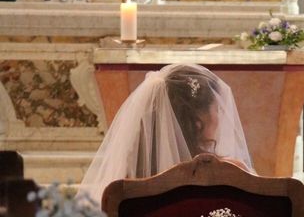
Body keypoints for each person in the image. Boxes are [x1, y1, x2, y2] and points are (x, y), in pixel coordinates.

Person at [79, 63, 253, 203]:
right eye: (217, 109)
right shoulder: (233, 172)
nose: (220, 117)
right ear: (199, 118)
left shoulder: (128, 178)